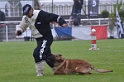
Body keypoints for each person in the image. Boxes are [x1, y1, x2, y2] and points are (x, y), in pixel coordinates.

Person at [15, 4, 68, 76]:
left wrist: (62, 22)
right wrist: (19, 31)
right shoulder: (25, 18)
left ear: (32, 10)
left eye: (28, 13)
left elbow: (55, 17)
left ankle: (40, 73)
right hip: (38, 39)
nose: (27, 15)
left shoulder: (41, 14)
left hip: (46, 37)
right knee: (47, 56)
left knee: (37, 53)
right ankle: (59, 69)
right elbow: (22, 25)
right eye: (26, 14)